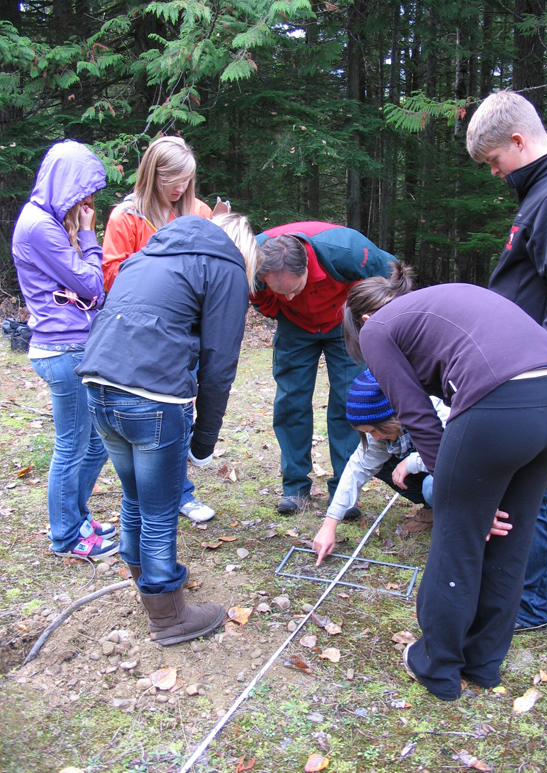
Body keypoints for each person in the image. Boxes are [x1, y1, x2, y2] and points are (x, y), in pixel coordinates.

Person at [342, 267, 547, 701]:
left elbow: (418, 417)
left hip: (502, 405)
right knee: (513, 531)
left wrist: (453, 491)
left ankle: (437, 666)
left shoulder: (379, 330)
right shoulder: (442, 302)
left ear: (364, 322)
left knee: (458, 535)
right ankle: (484, 663)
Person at [76, 212, 260, 645]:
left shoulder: (147, 254)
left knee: (136, 497)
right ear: (244, 248)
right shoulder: (226, 266)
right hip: (153, 399)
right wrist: (205, 440)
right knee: (159, 511)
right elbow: (219, 366)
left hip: (98, 384)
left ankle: (145, 583)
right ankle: (169, 617)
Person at [467, 90, 547, 633]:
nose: (494, 174)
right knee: (530, 481)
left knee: (546, 486)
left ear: (519, 140)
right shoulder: (540, 196)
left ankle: (532, 604)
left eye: (495, 162)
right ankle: (519, 590)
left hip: (539, 376)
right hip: (522, 369)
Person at [11, 140, 118, 559]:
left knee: (95, 443)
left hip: (73, 345)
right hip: (64, 349)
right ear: (65, 185)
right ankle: (67, 536)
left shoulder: (48, 221)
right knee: (74, 446)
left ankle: (76, 516)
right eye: (83, 192)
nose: (88, 202)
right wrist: (91, 235)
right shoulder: (39, 226)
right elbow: (93, 285)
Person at [102, 135, 215, 524]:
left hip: (187, 334)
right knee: (149, 416)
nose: (180, 189)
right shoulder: (127, 216)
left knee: (182, 412)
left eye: (187, 180)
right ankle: (150, 496)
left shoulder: (198, 212)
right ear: (152, 174)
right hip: (138, 337)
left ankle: (180, 492)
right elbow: (111, 277)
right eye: (173, 180)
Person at [252, 221, 397, 514]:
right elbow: (254, 294)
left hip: (344, 322)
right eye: (280, 290)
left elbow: (391, 278)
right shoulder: (252, 257)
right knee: (291, 401)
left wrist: (369, 317)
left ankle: (344, 490)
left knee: (349, 401)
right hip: (294, 325)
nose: (289, 294)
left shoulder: (345, 249)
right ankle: (294, 488)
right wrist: (278, 306)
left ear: (305, 268)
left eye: (294, 289)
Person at [312, 370, 451, 565]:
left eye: (375, 430)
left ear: (390, 416)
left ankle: (457, 517)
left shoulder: (435, 408)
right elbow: (356, 470)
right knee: (379, 463)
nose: (375, 437)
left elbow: (455, 454)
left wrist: (411, 463)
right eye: (368, 432)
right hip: (429, 466)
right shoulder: (379, 433)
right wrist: (329, 524)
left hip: (463, 473)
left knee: (433, 486)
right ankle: (432, 509)